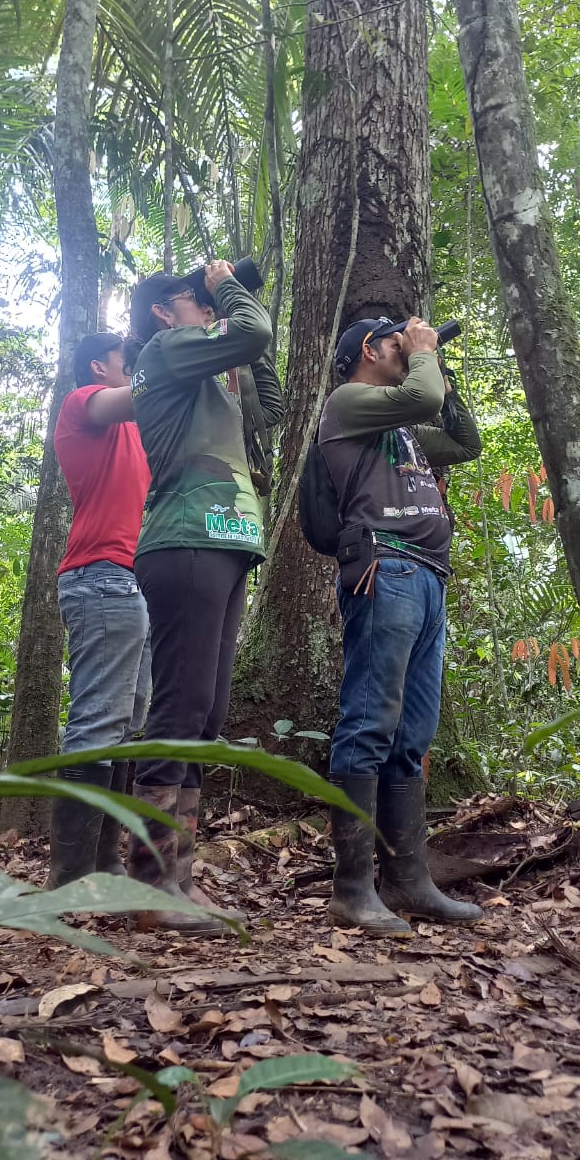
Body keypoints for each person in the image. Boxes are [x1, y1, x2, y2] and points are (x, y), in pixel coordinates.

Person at [126, 260, 283, 935]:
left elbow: (269, 408)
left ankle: (178, 882)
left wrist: (243, 346)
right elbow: (250, 329)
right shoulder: (164, 351)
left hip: (224, 538)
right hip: (186, 536)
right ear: (165, 312)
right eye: (194, 299)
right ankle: (150, 886)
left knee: (208, 711)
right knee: (181, 705)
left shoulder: (207, 377)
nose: (207, 306)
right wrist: (228, 286)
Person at [318, 314, 484, 936]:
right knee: (370, 721)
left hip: (427, 575)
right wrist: (426, 362)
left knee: (412, 732)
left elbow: (465, 443)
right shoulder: (349, 401)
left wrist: (438, 363)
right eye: (397, 342)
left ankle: (408, 882)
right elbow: (424, 395)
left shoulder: (406, 430)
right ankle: (352, 889)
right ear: (369, 350)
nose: (408, 348)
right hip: (384, 570)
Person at [48, 332, 152, 888]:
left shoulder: (137, 430)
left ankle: (104, 862)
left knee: (131, 723)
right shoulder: (84, 401)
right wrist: (174, 353)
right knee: (97, 722)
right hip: (101, 575)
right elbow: (146, 391)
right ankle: (67, 878)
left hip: (139, 581)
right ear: (97, 366)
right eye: (125, 360)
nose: (133, 367)